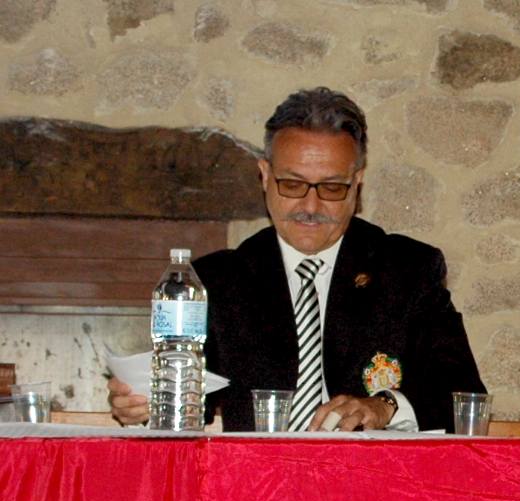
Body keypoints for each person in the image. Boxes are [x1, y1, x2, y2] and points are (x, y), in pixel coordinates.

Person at [109, 87, 485, 432]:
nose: (310, 205)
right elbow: (189, 404)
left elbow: (463, 394)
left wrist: (384, 405)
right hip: (256, 489)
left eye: (332, 187)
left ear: (357, 184)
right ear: (264, 176)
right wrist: (141, 405)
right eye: (292, 184)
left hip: (372, 487)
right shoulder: (219, 280)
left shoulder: (408, 269)